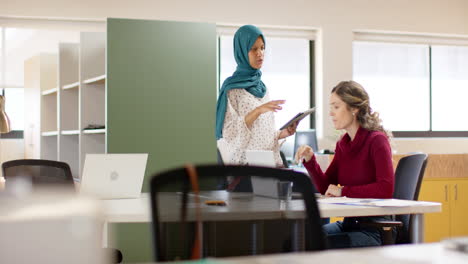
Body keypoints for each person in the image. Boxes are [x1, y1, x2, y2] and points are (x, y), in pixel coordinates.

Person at [295, 80, 394, 248]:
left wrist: (343, 191)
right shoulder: (343, 144)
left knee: (319, 244)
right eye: (331, 107)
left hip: (375, 229)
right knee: (300, 239)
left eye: (336, 107)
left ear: (354, 108)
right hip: (349, 224)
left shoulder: (377, 140)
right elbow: (326, 187)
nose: (331, 113)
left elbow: (386, 188)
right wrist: (311, 161)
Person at [215, 25, 297, 170]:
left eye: (262, 47)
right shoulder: (232, 89)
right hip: (246, 168)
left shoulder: (262, 88)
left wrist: (282, 133)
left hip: (270, 164)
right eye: (254, 49)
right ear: (242, 51)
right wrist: (257, 111)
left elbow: (261, 132)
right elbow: (230, 133)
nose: (260, 53)